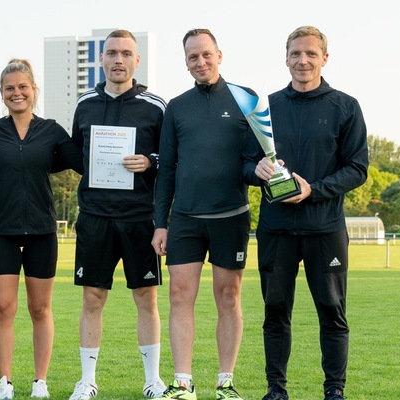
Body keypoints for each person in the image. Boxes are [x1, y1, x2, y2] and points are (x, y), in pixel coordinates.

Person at [242, 26, 368, 400]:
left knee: (332, 312)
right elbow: (245, 162)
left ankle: (334, 391)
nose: (303, 60)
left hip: (324, 228)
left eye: (311, 54)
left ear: (324, 58)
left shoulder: (345, 106)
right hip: (276, 229)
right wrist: (256, 171)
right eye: (296, 53)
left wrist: (315, 190)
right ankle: (276, 390)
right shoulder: (265, 108)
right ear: (286, 58)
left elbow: (357, 167)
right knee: (275, 312)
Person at [0, 59, 83, 400]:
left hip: (43, 230)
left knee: (40, 309)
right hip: (2, 230)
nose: (17, 93)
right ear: (2, 94)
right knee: (4, 308)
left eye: (22, 87)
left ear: (33, 90)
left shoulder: (52, 131)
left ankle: (40, 382)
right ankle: (5, 382)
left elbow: (80, 162)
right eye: (9, 88)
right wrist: (0, 179)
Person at [151, 28, 252, 400]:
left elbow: (257, 160)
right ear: (186, 62)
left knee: (229, 296)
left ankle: (225, 382)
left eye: (206, 54)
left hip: (231, 216)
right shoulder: (176, 106)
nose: (200, 62)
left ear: (219, 55)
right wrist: (161, 223)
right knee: (179, 295)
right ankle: (182, 383)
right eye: (193, 57)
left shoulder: (246, 100)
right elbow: (168, 170)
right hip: (186, 220)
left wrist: (261, 172)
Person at [67, 29, 168, 400]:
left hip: (140, 217)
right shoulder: (85, 103)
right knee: (92, 297)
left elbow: (171, 160)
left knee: (146, 297)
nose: (118, 60)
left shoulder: (156, 106)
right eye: (111, 53)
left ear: (136, 60)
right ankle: (88, 380)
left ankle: (152, 380)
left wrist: (150, 161)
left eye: (126, 53)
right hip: (94, 217)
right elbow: (77, 155)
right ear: (102, 59)